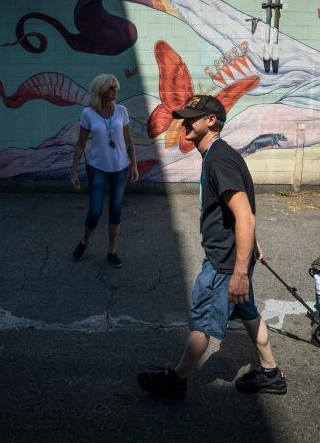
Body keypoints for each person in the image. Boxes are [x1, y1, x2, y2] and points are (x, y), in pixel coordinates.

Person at [137, 95, 286, 398]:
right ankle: (271, 372)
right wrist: (250, 247)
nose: (184, 123)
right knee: (247, 312)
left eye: (191, 117)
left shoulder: (219, 159)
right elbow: (239, 213)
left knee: (202, 322)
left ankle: (176, 379)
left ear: (211, 121)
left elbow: (244, 214)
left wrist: (240, 272)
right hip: (233, 257)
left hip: (224, 263)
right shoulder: (218, 155)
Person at [70, 74, 138, 267]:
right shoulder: (88, 114)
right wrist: (74, 171)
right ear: (101, 90)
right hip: (97, 168)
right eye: (111, 88)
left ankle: (112, 251)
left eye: (116, 88)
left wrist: (134, 164)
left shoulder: (122, 111)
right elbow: (81, 143)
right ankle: (84, 241)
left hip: (120, 168)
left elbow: (129, 141)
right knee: (95, 211)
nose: (115, 91)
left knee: (116, 211)